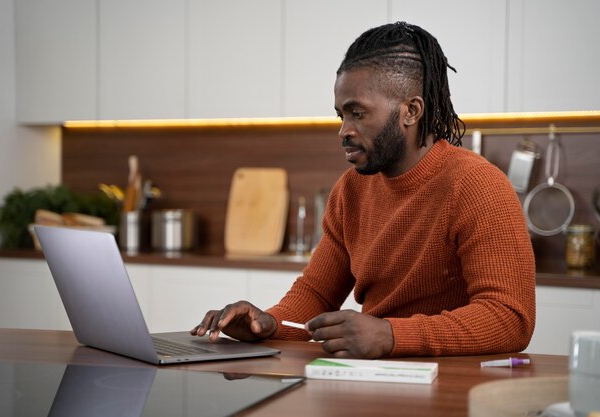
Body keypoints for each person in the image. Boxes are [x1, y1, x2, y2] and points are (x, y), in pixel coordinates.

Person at [191, 22, 536, 359]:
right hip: (372, 376)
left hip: (452, 387)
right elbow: (316, 293)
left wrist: (390, 335)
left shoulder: (478, 185)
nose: (343, 130)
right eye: (341, 115)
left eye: (358, 113)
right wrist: (265, 323)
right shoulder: (351, 190)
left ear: (411, 111)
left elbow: (509, 318)